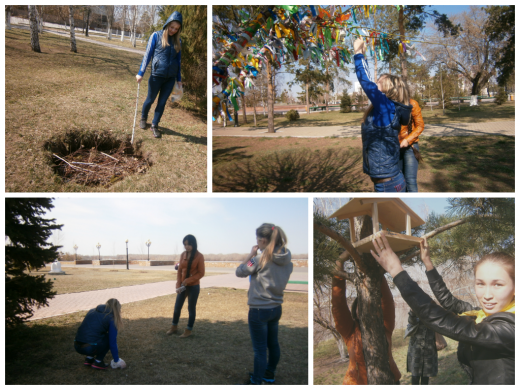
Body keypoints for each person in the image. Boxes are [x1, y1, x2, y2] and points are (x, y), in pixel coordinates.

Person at [371, 232, 514, 385]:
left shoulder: (509, 327)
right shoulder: (482, 314)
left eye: (497, 284)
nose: (487, 295)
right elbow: (449, 301)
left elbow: (443, 320)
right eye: (480, 283)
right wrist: (428, 263)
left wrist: (396, 271)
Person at [236, 223, 293, 385]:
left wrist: (250, 254)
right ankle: (269, 373)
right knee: (273, 344)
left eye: (257, 239)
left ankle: (256, 381)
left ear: (262, 240)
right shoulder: (287, 258)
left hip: (259, 310)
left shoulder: (258, 259)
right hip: (276, 308)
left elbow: (240, 271)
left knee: (260, 350)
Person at [353, 37, 412, 192]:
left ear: (388, 88)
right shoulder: (386, 108)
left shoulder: (386, 106)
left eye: (378, 81)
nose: (375, 83)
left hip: (388, 184)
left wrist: (358, 52)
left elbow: (365, 81)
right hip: (390, 181)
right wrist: (364, 56)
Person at [136, 11, 183, 139]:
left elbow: (178, 62)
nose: (173, 30)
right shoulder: (156, 36)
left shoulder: (178, 41)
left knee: (162, 103)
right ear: (167, 24)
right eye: (172, 27)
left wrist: (179, 79)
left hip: (170, 78)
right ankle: (143, 117)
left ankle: (154, 125)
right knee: (150, 100)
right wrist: (141, 72)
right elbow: (147, 55)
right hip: (156, 75)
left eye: (176, 28)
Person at [167, 234, 205, 338]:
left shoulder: (199, 256)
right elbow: (179, 270)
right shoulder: (183, 254)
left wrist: (189, 280)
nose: (187, 246)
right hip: (183, 286)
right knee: (177, 307)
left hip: (193, 286)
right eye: (185, 244)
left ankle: (188, 330)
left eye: (189, 244)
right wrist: (178, 283)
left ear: (194, 244)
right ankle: (174, 327)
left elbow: (201, 273)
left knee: (191, 308)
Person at [74, 298, 126, 370]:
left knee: (95, 336)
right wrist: (116, 360)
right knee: (107, 338)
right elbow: (112, 342)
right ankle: (98, 361)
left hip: (77, 345)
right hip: (89, 348)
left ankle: (89, 359)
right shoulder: (111, 318)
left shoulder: (92, 311)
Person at [399, 98, 424, 192]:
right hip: (395, 147)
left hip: (410, 146)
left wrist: (407, 140)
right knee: (399, 181)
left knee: (410, 180)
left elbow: (420, 125)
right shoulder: (388, 103)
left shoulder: (412, 103)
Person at [405, 310, 437, 385]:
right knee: (415, 377)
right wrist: (412, 312)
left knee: (425, 377)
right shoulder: (417, 309)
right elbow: (411, 321)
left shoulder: (433, 313)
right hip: (417, 349)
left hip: (428, 349)